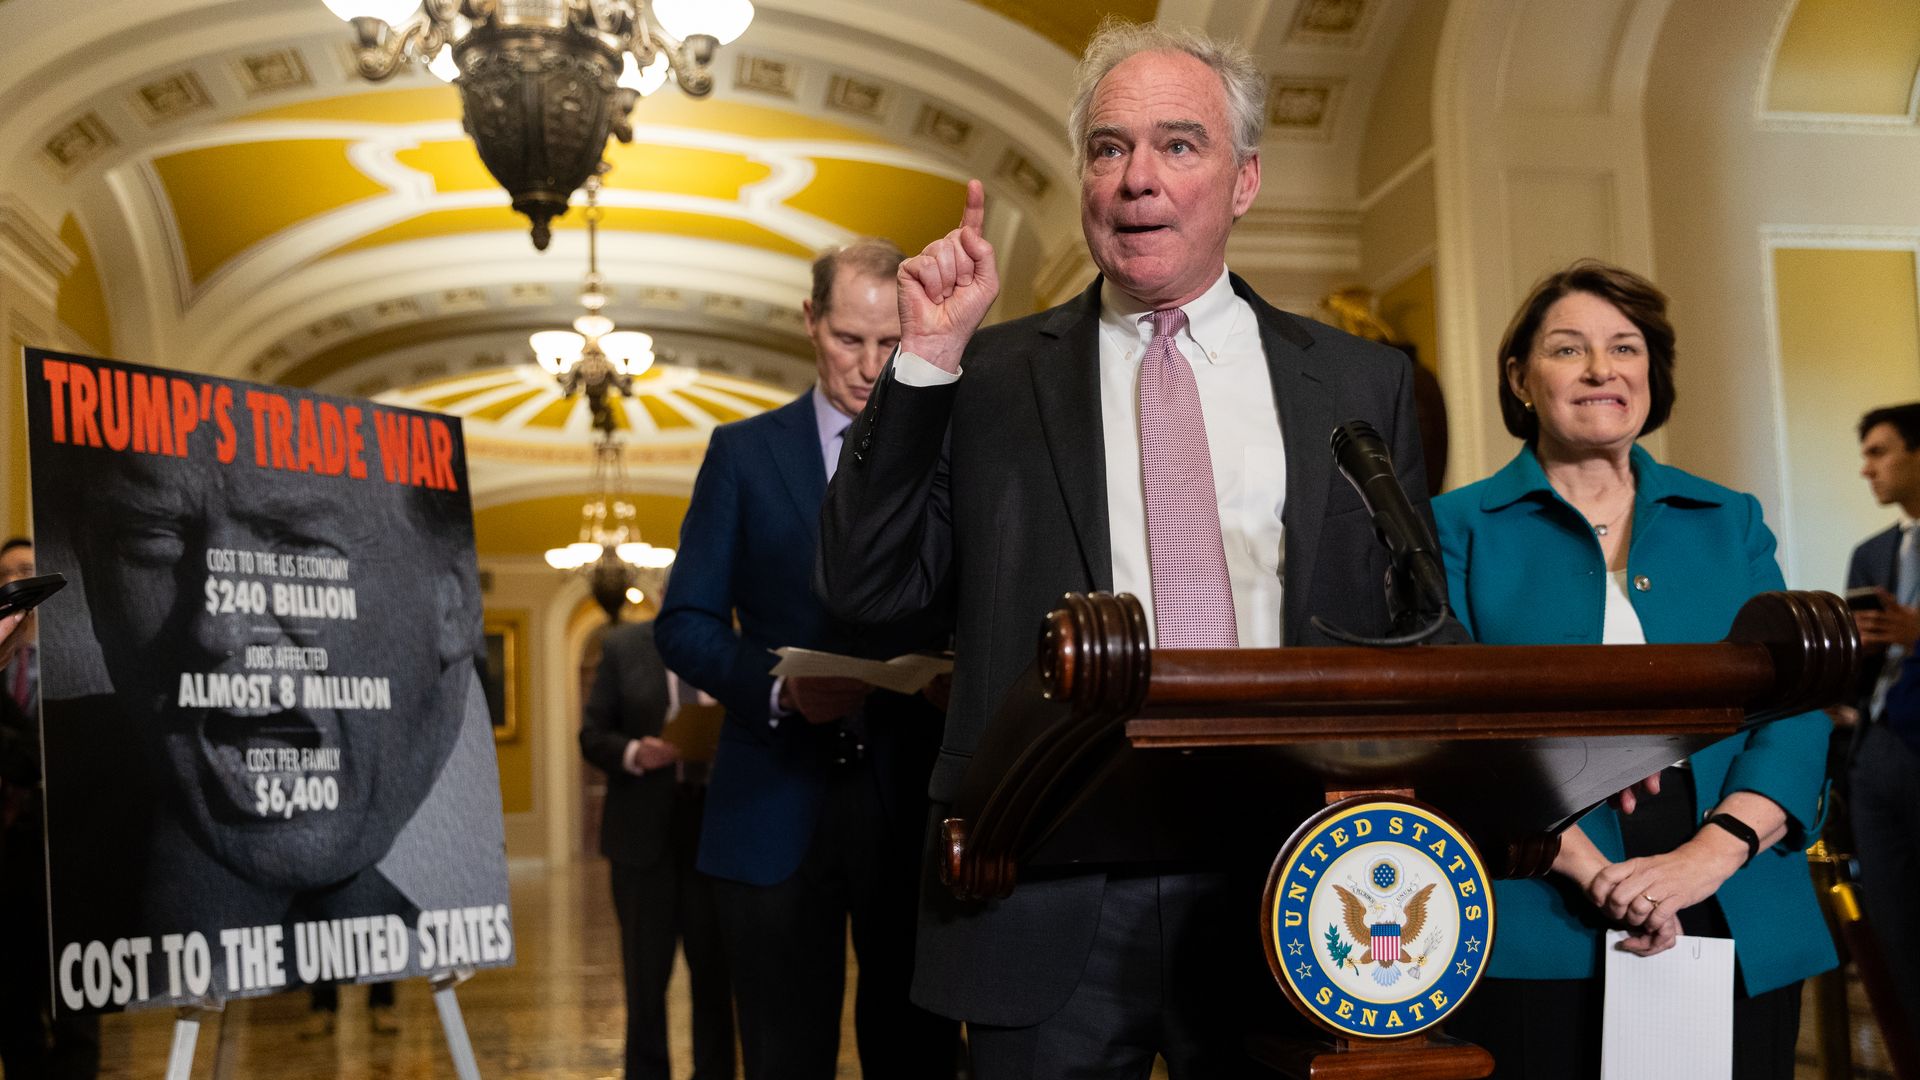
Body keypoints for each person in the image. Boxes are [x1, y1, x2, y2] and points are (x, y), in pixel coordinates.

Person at [815, 19, 1453, 1076]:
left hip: (1291, 878)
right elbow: (866, 594)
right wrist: (924, 362)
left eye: (1178, 145)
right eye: (1109, 149)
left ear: (1244, 180)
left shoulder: (1355, 383)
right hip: (1047, 873)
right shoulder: (988, 379)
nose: (1135, 180)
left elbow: (1416, 618)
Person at [1432, 261, 1835, 1078]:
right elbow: (1451, 725)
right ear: (1519, 377)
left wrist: (1712, 854)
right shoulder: (1456, 527)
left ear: (1652, 371)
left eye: (1625, 347)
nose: (1600, 370)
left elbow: (1795, 705)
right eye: (1567, 349)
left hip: (1733, 894)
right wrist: (1596, 872)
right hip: (1539, 908)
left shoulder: (1730, 519)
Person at [32, 380, 507, 1005]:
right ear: (92, 578)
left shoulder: (461, 872)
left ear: (453, 604)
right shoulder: (78, 825)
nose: (217, 626)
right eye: (154, 542)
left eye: (300, 549)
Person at [654, 238, 957, 1080]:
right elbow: (684, 622)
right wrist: (779, 690)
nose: (868, 367)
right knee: (785, 1057)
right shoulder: (744, 456)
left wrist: (956, 674)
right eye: (847, 341)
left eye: (891, 345)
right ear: (809, 322)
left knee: (919, 1054)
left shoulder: (952, 448)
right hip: (775, 802)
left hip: (912, 800)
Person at [579, 619, 732, 1080]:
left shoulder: (730, 645)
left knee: (715, 979)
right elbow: (592, 735)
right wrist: (632, 753)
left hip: (713, 834)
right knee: (645, 983)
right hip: (643, 839)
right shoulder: (624, 647)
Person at [0, 537, 101, 1078]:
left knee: (75, 1004)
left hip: (66, 855)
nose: (19, 582)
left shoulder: (80, 660)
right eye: (9, 573)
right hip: (8, 854)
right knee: (12, 1003)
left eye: (28, 570)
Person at [1840, 403, 1920, 1036]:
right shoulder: (1872, 553)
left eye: (1879, 451)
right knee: (1895, 929)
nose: (1866, 469)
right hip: (1875, 754)